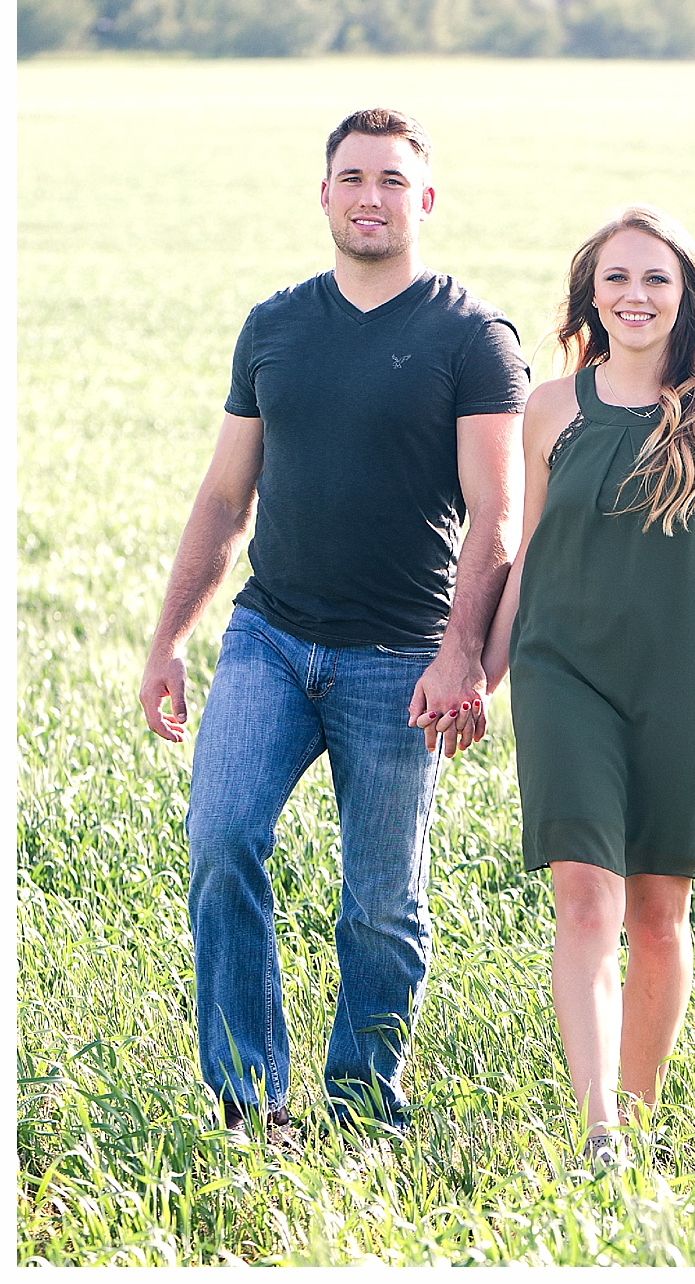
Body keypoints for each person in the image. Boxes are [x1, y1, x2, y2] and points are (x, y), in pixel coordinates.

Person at [138, 108, 529, 1137]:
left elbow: (500, 510)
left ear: (425, 200)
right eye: (352, 177)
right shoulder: (274, 327)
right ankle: (250, 1103)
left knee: (380, 907)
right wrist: (169, 638)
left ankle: (363, 1106)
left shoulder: (472, 337)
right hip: (269, 637)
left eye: (393, 180)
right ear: (322, 195)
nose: (370, 195)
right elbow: (226, 498)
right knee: (222, 836)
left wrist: (461, 656)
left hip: (402, 658)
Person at [482, 205, 695, 1166]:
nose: (635, 296)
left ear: (686, 293)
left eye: (655, 278)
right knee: (587, 903)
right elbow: (527, 553)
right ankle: (600, 1131)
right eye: (616, 278)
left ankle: (642, 1119)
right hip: (562, 675)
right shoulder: (552, 408)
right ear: (592, 296)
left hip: (685, 688)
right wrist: (481, 671)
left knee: (659, 917)